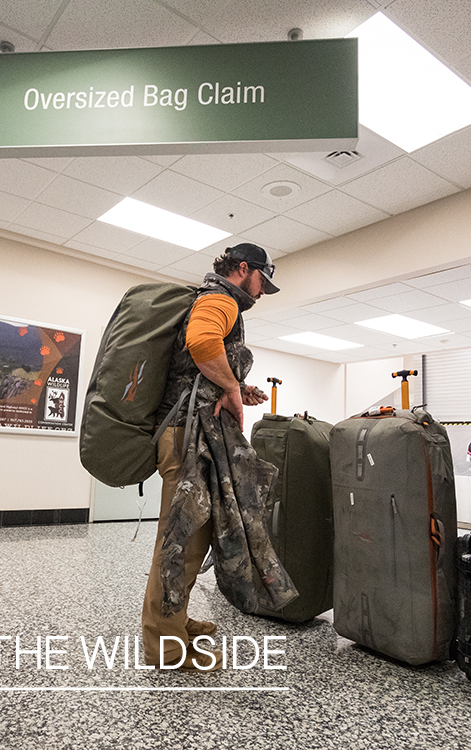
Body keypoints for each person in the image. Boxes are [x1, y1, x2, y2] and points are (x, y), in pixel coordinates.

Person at [141, 242, 279, 672]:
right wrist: (233, 389)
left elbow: (197, 366)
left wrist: (233, 387)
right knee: (179, 541)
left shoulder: (215, 300)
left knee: (193, 537)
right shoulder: (220, 300)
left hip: (192, 432)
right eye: (261, 281)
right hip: (186, 437)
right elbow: (201, 342)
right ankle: (164, 646)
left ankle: (175, 621)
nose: (261, 292)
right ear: (244, 269)